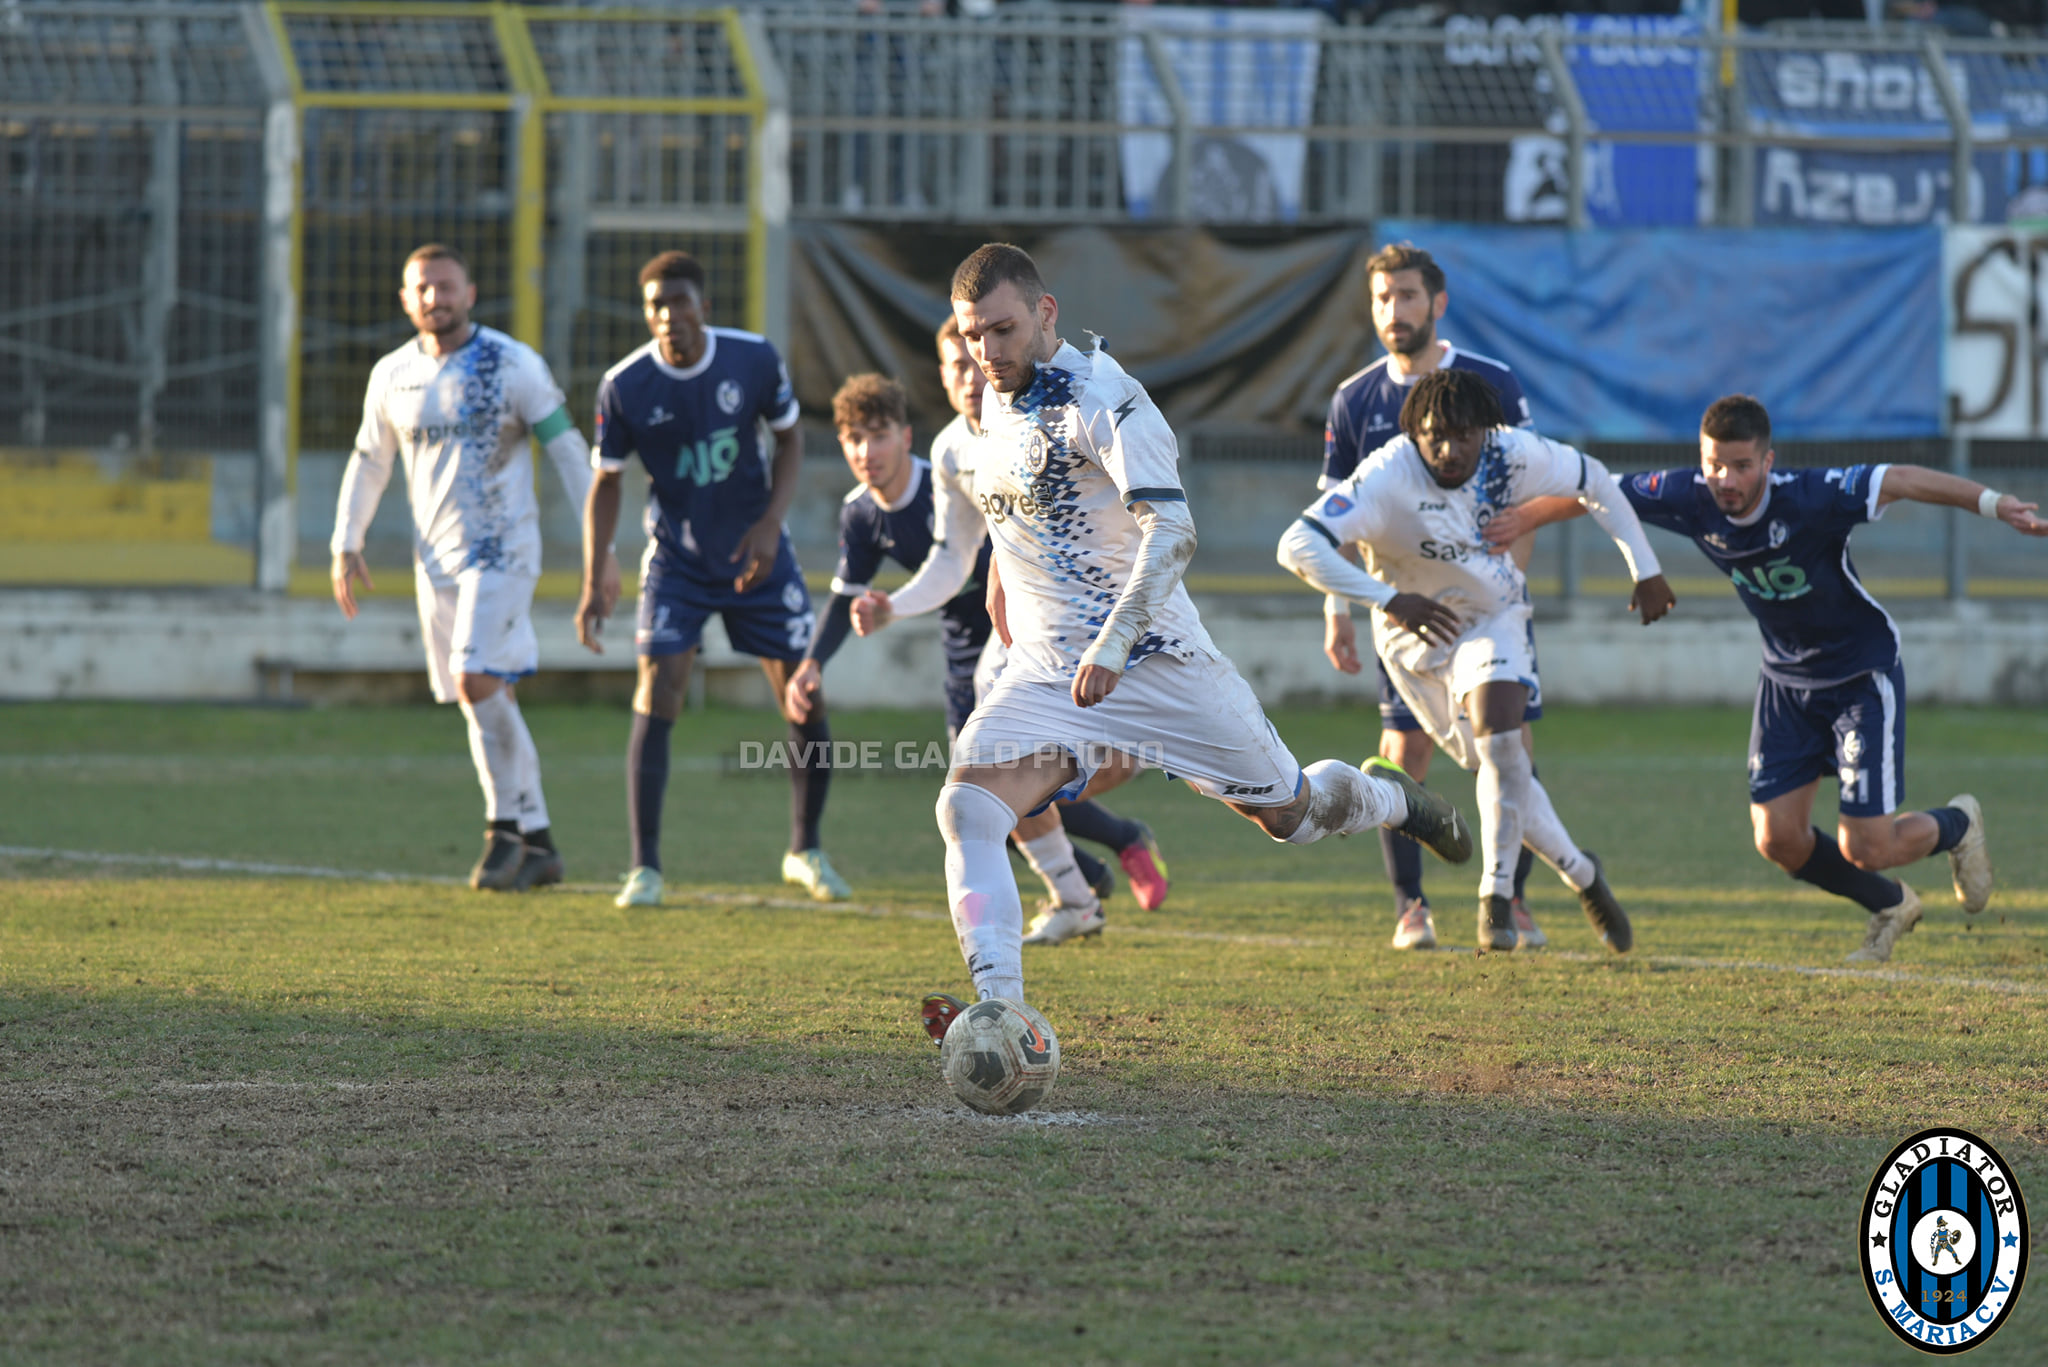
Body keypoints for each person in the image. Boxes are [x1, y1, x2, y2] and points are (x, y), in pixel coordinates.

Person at [905, 242, 1474, 1044]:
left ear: (1045, 313)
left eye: (1001, 331)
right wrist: (1003, 565)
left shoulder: (1110, 400)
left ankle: (1392, 799)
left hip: (1154, 660)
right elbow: (1026, 499)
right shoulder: (999, 395)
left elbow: (1171, 530)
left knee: (1290, 813)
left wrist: (1112, 641)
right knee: (966, 803)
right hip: (1048, 674)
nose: (986, 354)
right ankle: (1000, 1012)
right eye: (971, 337)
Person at [1483, 394, 2043, 963]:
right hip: (1785, 683)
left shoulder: (1812, 497)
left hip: (1858, 673)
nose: (1726, 479)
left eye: (1742, 465)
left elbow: (1900, 479)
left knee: (1867, 845)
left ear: (1768, 462)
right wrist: (1524, 517)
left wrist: (1996, 505)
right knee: (1777, 839)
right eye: (1714, 464)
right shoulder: (1691, 496)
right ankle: (1892, 904)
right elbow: (1597, 490)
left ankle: (1957, 823)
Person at [1279, 368, 1675, 955]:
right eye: (1435, 434)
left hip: (1494, 618)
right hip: (1415, 642)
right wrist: (1387, 598)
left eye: (1464, 434)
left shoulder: (1512, 455)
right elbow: (1298, 544)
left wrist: (1645, 568)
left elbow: (1596, 481)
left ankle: (1495, 897)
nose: (1449, 448)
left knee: (1501, 744)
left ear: (1486, 432)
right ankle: (1584, 875)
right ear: (1415, 432)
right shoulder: (1388, 472)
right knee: (1500, 772)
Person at [849, 317, 1175, 929]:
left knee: (1234, 787)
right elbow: (952, 556)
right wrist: (895, 605)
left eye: (977, 361)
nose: (969, 377)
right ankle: (1076, 898)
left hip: (1103, 620)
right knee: (984, 785)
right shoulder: (952, 449)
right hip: (1014, 644)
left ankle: (1098, 845)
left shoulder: (1055, 412)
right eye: (954, 367)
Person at [787, 372, 1131, 935]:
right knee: (981, 788)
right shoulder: (879, 502)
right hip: (965, 654)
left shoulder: (982, 455)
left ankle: (1101, 856)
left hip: (1029, 633)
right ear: (943, 379)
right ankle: (1079, 885)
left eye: (878, 435)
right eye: (854, 438)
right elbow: (901, 580)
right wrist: (816, 660)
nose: (866, 451)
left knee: (999, 781)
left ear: (904, 435)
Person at [330, 244, 616, 892]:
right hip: (435, 563)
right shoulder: (392, 374)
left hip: (503, 550)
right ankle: (540, 840)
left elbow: (569, 452)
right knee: (485, 697)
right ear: (406, 299)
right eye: (422, 288)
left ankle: (502, 829)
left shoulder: (512, 364)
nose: (436, 297)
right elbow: (370, 460)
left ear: (472, 292)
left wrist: (602, 552)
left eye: (446, 285)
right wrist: (346, 538)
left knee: (474, 677)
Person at [575, 250, 847, 908]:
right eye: (655, 307)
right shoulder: (625, 385)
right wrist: (595, 570)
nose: (668, 316)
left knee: (801, 695)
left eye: (679, 302)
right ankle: (645, 868)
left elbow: (789, 440)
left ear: (705, 305)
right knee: (659, 687)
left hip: (759, 554)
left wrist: (770, 521)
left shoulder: (752, 358)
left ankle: (805, 849)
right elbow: (606, 481)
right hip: (677, 562)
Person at [1320, 242, 1549, 953]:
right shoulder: (1355, 399)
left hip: (1487, 609)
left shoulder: (1491, 383)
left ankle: (1508, 899)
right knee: (1401, 751)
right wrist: (1338, 608)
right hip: (1402, 611)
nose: (1396, 311)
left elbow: (1531, 491)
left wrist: (1505, 590)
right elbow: (1330, 511)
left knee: (1509, 747)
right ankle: (1411, 905)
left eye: (1409, 296)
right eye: (1383, 298)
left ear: (1437, 303)